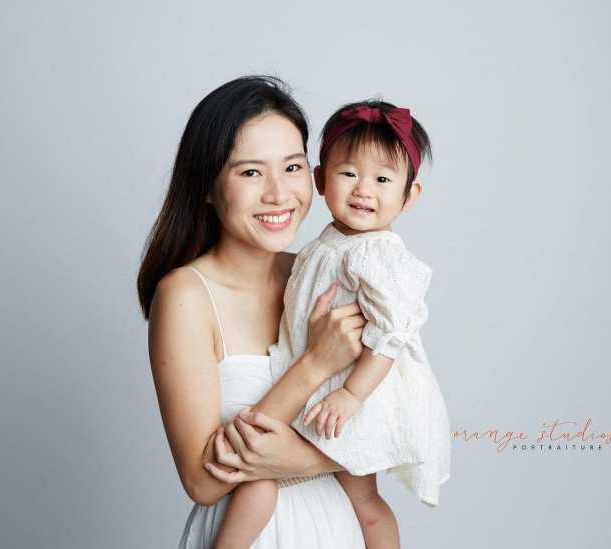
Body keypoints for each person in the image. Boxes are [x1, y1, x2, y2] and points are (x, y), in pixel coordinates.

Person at [137, 75, 367, 548]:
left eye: (292, 167)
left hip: (333, 529)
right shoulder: (185, 296)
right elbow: (203, 480)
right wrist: (315, 366)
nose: (279, 195)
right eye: (250, 172)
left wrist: (303, 460)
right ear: (206, 186)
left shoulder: (321, 276)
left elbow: (384, 429)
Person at [211, 100, 452, 549]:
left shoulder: (379, 256)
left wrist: (351, 394)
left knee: (360, 501)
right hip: (317, 386)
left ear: (409, 196)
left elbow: (392, 335)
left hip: (354, 394)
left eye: (383, 179)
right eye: (348, 174)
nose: (364, 190)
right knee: (266, 479)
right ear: (320, 179)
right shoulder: (328, 244)